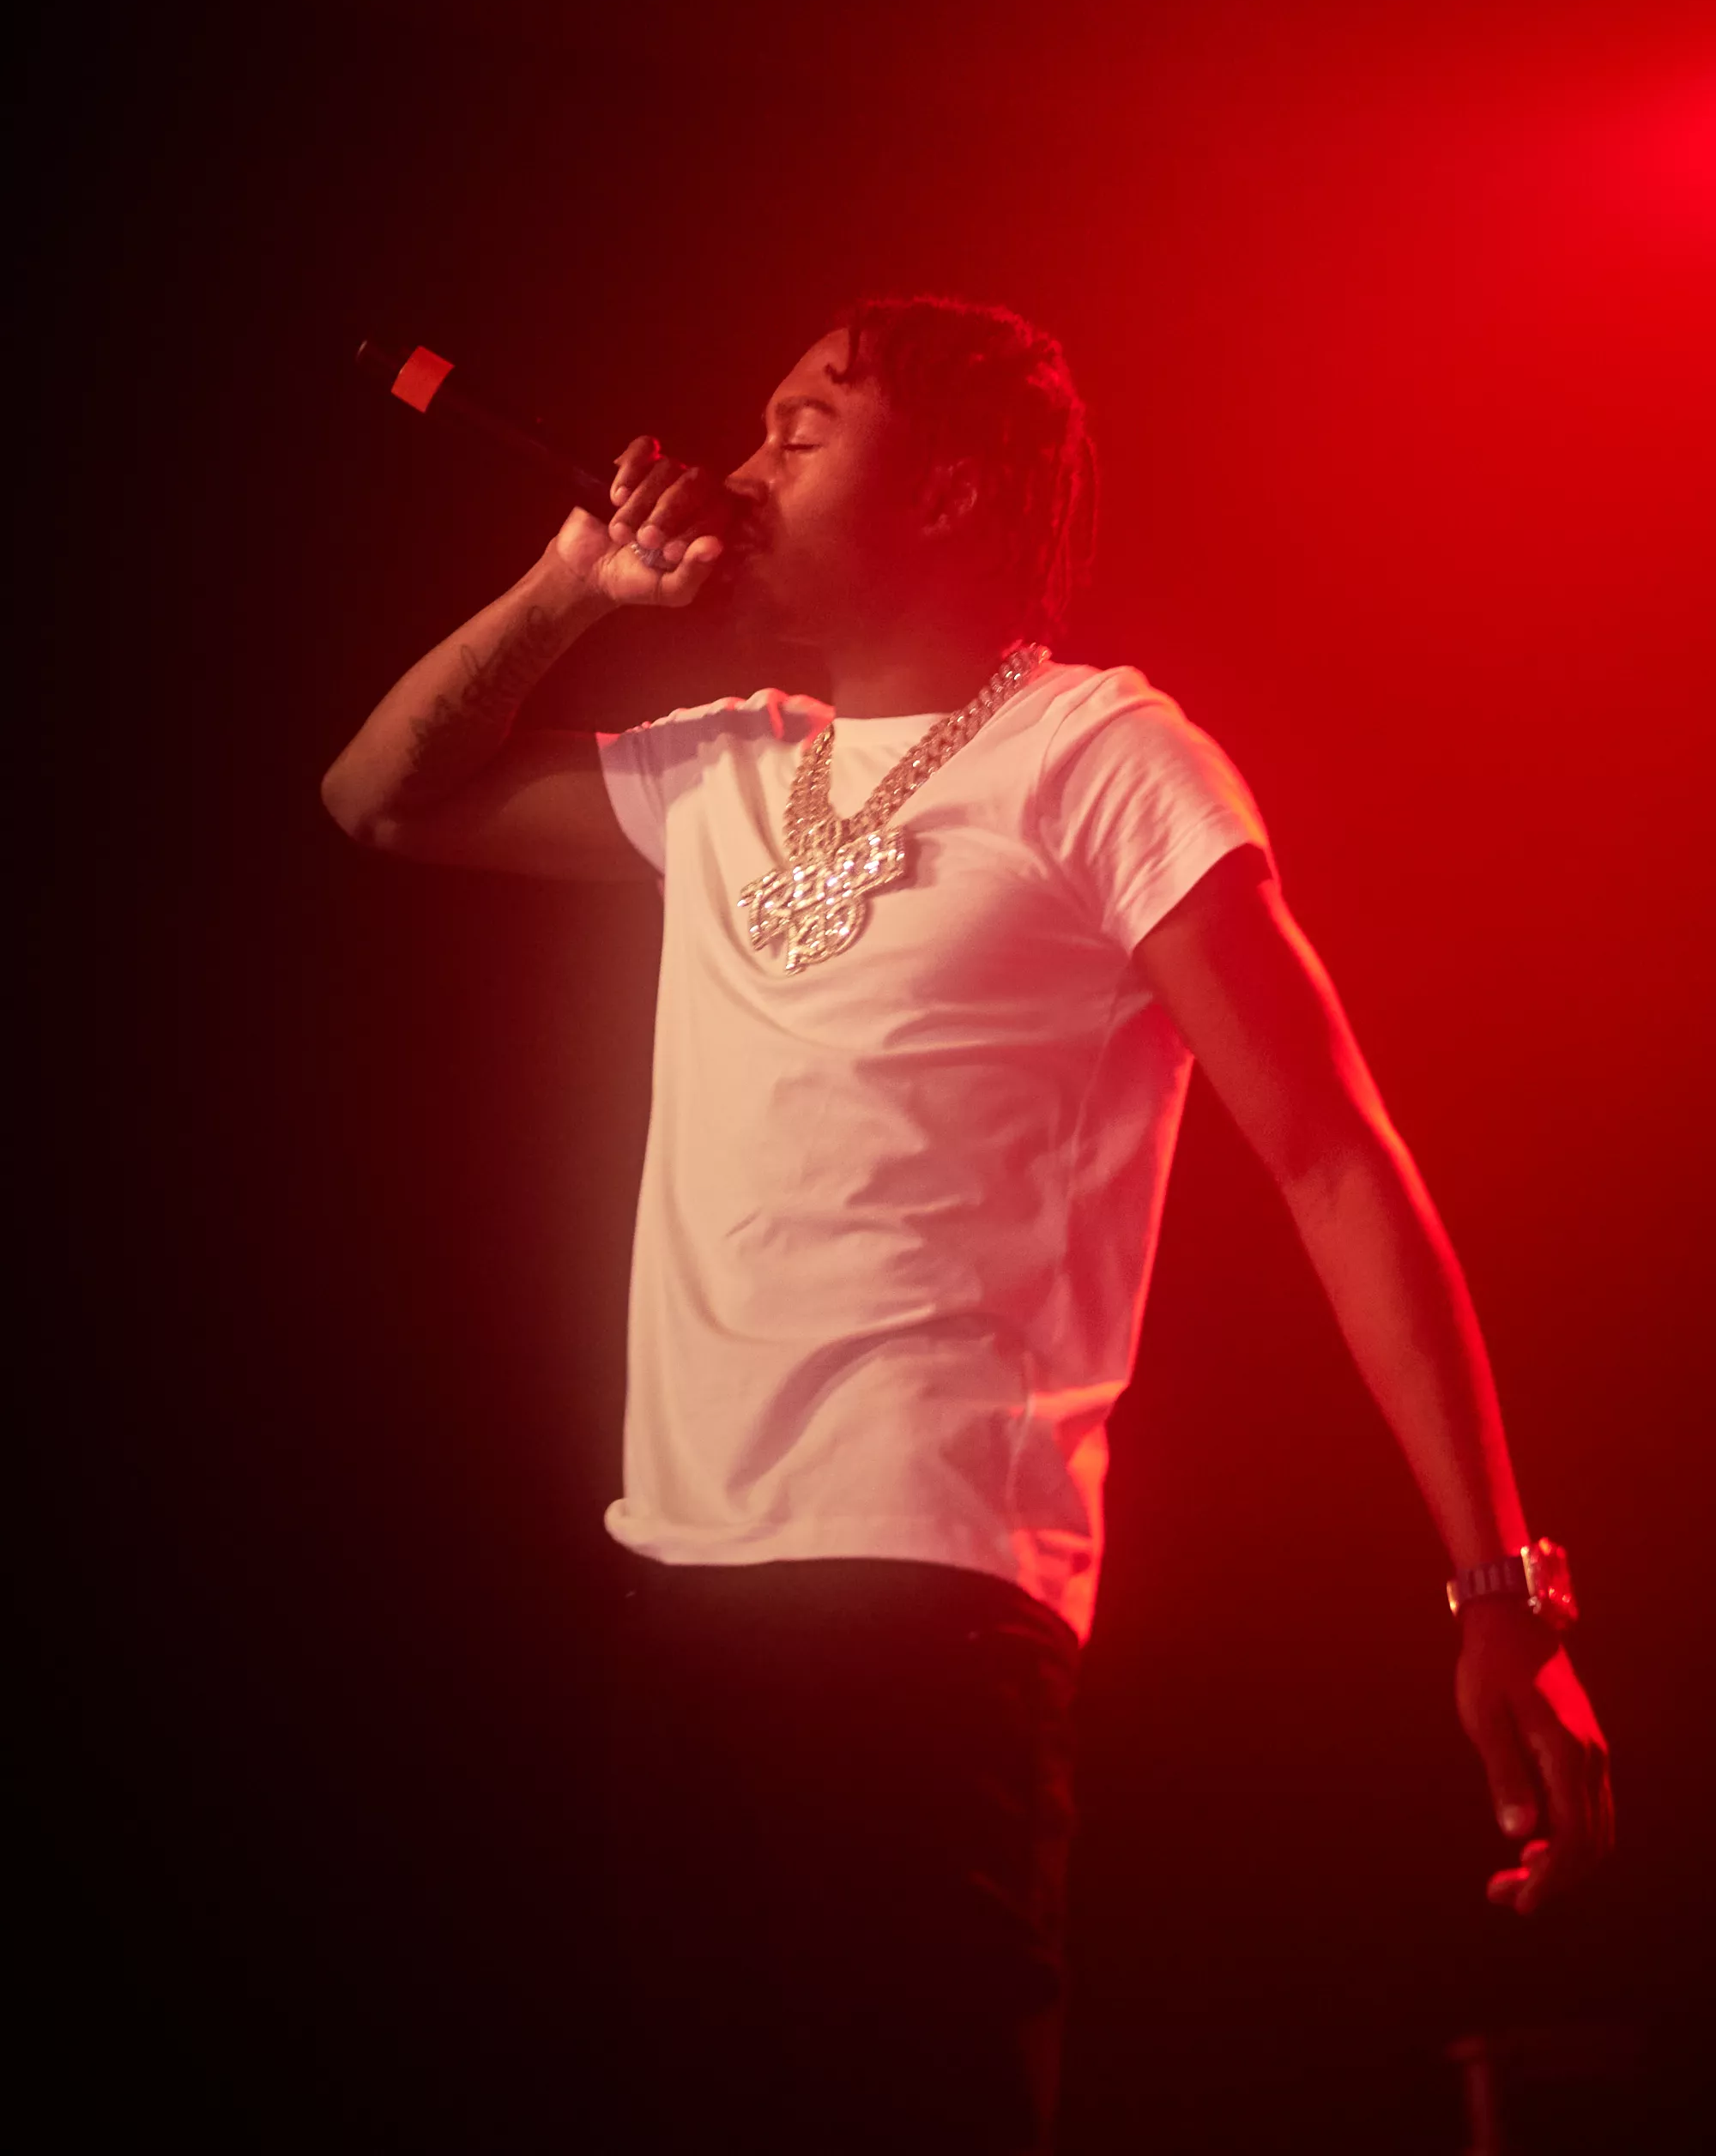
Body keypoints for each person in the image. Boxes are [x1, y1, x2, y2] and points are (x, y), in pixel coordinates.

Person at [321, 295, 1613, 2153]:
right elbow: (375, 801)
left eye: (802, 428)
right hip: (676, 1586)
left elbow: (1333, 1155)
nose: (741, 468)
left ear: (948, 493)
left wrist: (1501, 1591)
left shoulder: (1102, 755)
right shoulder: (728, 763)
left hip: (929, 1595)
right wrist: (570, 590)